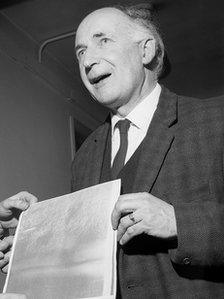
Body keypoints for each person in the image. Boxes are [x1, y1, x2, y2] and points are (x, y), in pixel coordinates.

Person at [1, 3, 224, 298]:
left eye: (102, 40)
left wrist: (178, 222)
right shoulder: (84, 157)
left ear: (145, 50)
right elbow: (85, 259)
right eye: (80, 52)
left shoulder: (214, 120)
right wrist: (32, 248)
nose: (88, 60)